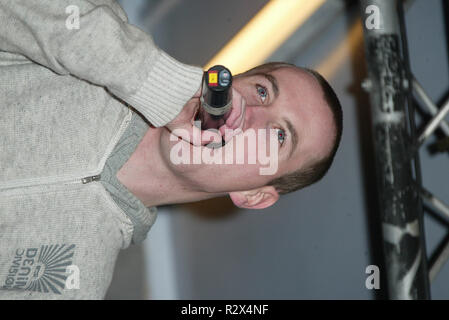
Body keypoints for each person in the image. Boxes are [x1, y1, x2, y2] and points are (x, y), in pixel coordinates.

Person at [0, 0, 342, 299]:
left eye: (279, 136)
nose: (250, 113)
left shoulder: (75, 284)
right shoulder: (92, 35)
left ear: (253, 194)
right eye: (263, 91)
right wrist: (153, 83)